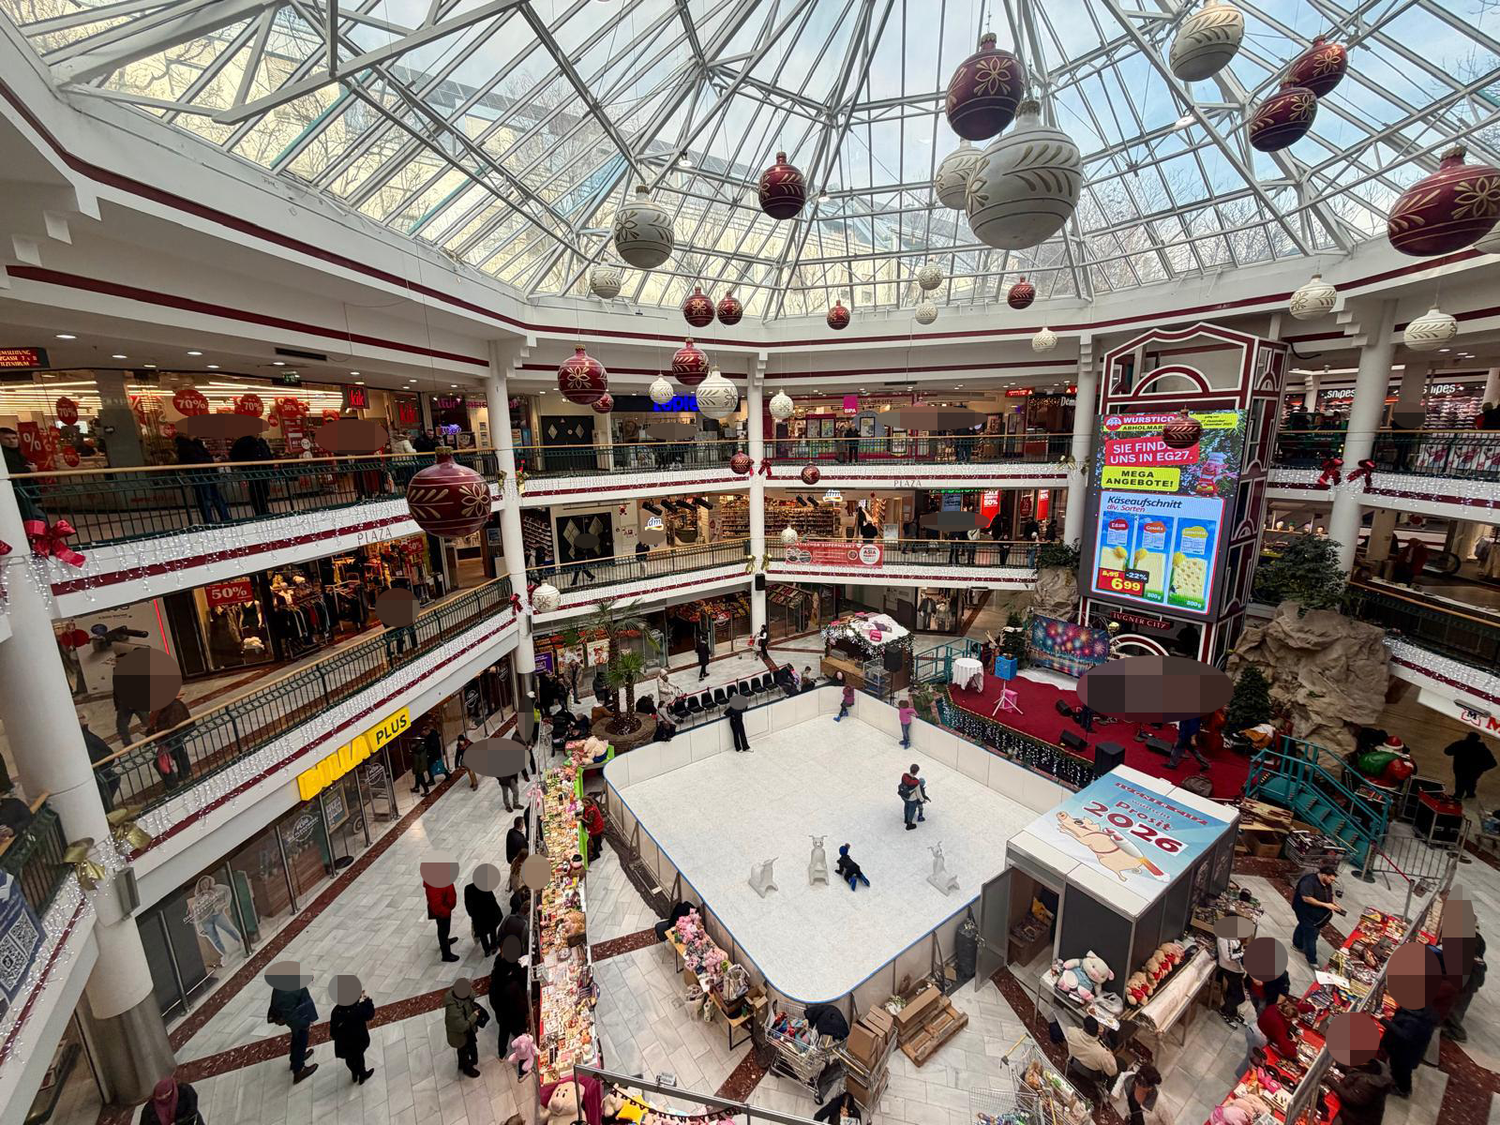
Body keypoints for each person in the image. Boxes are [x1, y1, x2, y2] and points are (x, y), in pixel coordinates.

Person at [267, 974, 319, 1082]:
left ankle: (295, 1059)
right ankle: (299, 1070)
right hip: (297, 1019)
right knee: (301, 1040)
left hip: (290, 1019)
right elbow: (305, 1004)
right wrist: (307, 1021)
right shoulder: (297, 989)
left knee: (296, 1038)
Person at [1291, 863, 1343, 967]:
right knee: (1312, 935)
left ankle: (1297, 944)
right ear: (1324, 875)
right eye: (1331, 880)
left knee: (1303, 926)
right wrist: (1325, 905)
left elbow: (1329, 893)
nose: (1331, 882)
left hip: (1316, 915)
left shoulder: (1326, 883)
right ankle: (1312, 960)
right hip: (1305, 912)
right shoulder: (1308, 882)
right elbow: (1306, 898)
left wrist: (1333, 903)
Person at [1382, 999, 1435, 1098]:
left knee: (1401, 1070)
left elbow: (1404, 1035)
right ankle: (1400, 1084)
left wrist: (1384, 1022)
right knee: (1398, 1067)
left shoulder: (1415, 1020)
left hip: (1406, 1052)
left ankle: (1403, 1089)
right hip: (1406, 1050)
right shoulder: (1422, 1012)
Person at [175, 432, 230, 524]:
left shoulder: (197, 443)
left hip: (207, 473)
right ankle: (209, 521)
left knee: (216, 497)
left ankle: (225, 518)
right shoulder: (184, 446)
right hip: (198, 474)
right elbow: (194, 460)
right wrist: (212, 460)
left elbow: (202, 457)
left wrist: (213, 459)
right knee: (206, 498)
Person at [1443, 924, 1485, 1042]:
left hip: (1467, 984)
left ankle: (1457, 1033)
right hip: (1470, 983)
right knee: (1458, 1007)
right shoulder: (1478, 941)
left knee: (1455, 1009)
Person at [147, 692, 194, 790]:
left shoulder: (174, 706)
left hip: (173, 736)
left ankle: (173, 785)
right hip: (170, 737)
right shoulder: (160, 709)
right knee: (178, 753)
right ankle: (184, 774)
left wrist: (156, 730)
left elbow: (170, 724)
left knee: (160, 762)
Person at [1326, 1057, 1394, 1125]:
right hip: (1358, 1112)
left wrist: (1328, 1080)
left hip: (1357, 1119)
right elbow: (1352, 1069)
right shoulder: (1371, 1065)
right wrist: (1335, 1064)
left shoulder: (1368, 1083)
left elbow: (1349, 1097)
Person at [329, 988, 377, 1084]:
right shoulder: (358, 1009)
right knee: (359, 1058)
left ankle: (354, 1074)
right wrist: (367, 999)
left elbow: (333, 1030)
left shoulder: (336, 1011)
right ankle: (362, 1075)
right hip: (358, 1041)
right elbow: (370, 1014)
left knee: (349, 1060)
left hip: (344, 1044)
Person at [444, 978, 485, 1079]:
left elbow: (472, 995)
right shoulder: (453, 1010)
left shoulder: (460, 995)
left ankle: (462, 1064)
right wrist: (473, 1016)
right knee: (464, 1050)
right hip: (460, 1035)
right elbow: (462, 1026)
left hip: (466, 1031)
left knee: (463, 1050)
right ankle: (467, 1068)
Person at [229, 429, 275, 517]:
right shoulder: (243, 441)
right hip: (252, 471)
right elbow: (234, 455)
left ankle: (265, 510)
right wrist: (244, 466)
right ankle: (260, 512)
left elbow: (268, 454)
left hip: (264, 471)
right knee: (256, 492)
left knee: (264, 491)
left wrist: (270, 467)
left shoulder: (261, 441)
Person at [81, 715, 121, 812]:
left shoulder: (85, 734)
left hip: (98, 771)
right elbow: (105, 753)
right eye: (81, 717)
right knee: (111, 783)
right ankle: (107, 811)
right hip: (99, 773)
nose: (85, 718)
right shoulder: (85, 736)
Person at [1064, 1015, 1119, 1082]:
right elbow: (1112, 1072)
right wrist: (1111, 1055)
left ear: (1084, 1026)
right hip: (1093, 1075)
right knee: (1122, 1063)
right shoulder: (1104, 1054)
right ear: (1098, 1030)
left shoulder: (1072, 1032)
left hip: (1074, 1062)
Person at [1443, 731, 1497, 799]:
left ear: (1468, 737)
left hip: (1460, 770)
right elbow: (1493, 763)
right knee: (1470, 789)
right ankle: (1468, 799)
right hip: (1473, 773)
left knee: (1460, 787)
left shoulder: (1461, 744)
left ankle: (1458, 799)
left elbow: (1447, 751)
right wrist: (1480, 768)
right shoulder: (1482, 748)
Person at [464, 872, 503, 957]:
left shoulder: (468, 888)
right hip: (489, 915)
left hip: (478, 917)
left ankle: (486, 950)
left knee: (482, 934)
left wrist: (472, 915)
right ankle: (493, 947)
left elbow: (467, 904)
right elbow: (492, 900)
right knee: (492, 931)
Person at [424, 873, 460, 963]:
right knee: (443, 930)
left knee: (444, 929)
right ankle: (446, 954)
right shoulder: (433, 885)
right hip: (442, 913)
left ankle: (445, 942)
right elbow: (436, 904)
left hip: (445, 909)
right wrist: (445, 912)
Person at [1216, 930, 1247, 1026]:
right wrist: (1243, 954)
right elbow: (1228, 957)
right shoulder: (1224, 938)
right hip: (1230, 969)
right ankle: (1224, 1010)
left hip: (1236, 968)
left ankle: (1232, 1012)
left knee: (1232, 992)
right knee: (1240, 997)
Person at [1257, 994, 1301, 1061]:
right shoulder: (1280, 1025)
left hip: (1258, 1028)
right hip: (1259, 1036)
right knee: (1256, 1058)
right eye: (1292, 1019)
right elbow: (1284, 1047)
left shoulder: (1275, 1007)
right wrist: (1293, 1043)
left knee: (1253, 1056)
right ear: (1288, 1018)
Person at [899, 764, 927, 829]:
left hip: (904, 796)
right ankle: (909, 824)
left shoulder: (904, 776)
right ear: (916, 772)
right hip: (912, 799)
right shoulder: (916, 782)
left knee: (906, 806)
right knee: (911, 810)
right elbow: (919, 794)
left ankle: (906, 819)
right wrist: (923, 800)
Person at [411, 731, 432, 796]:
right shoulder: (422, 748)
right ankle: (416, 787)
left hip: (420, 767)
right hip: (421, 766)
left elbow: (417, 762)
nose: (412, 745)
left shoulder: (417, 751)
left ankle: (426, 791)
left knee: (421, 778)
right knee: (418, 777)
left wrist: (415, 770)